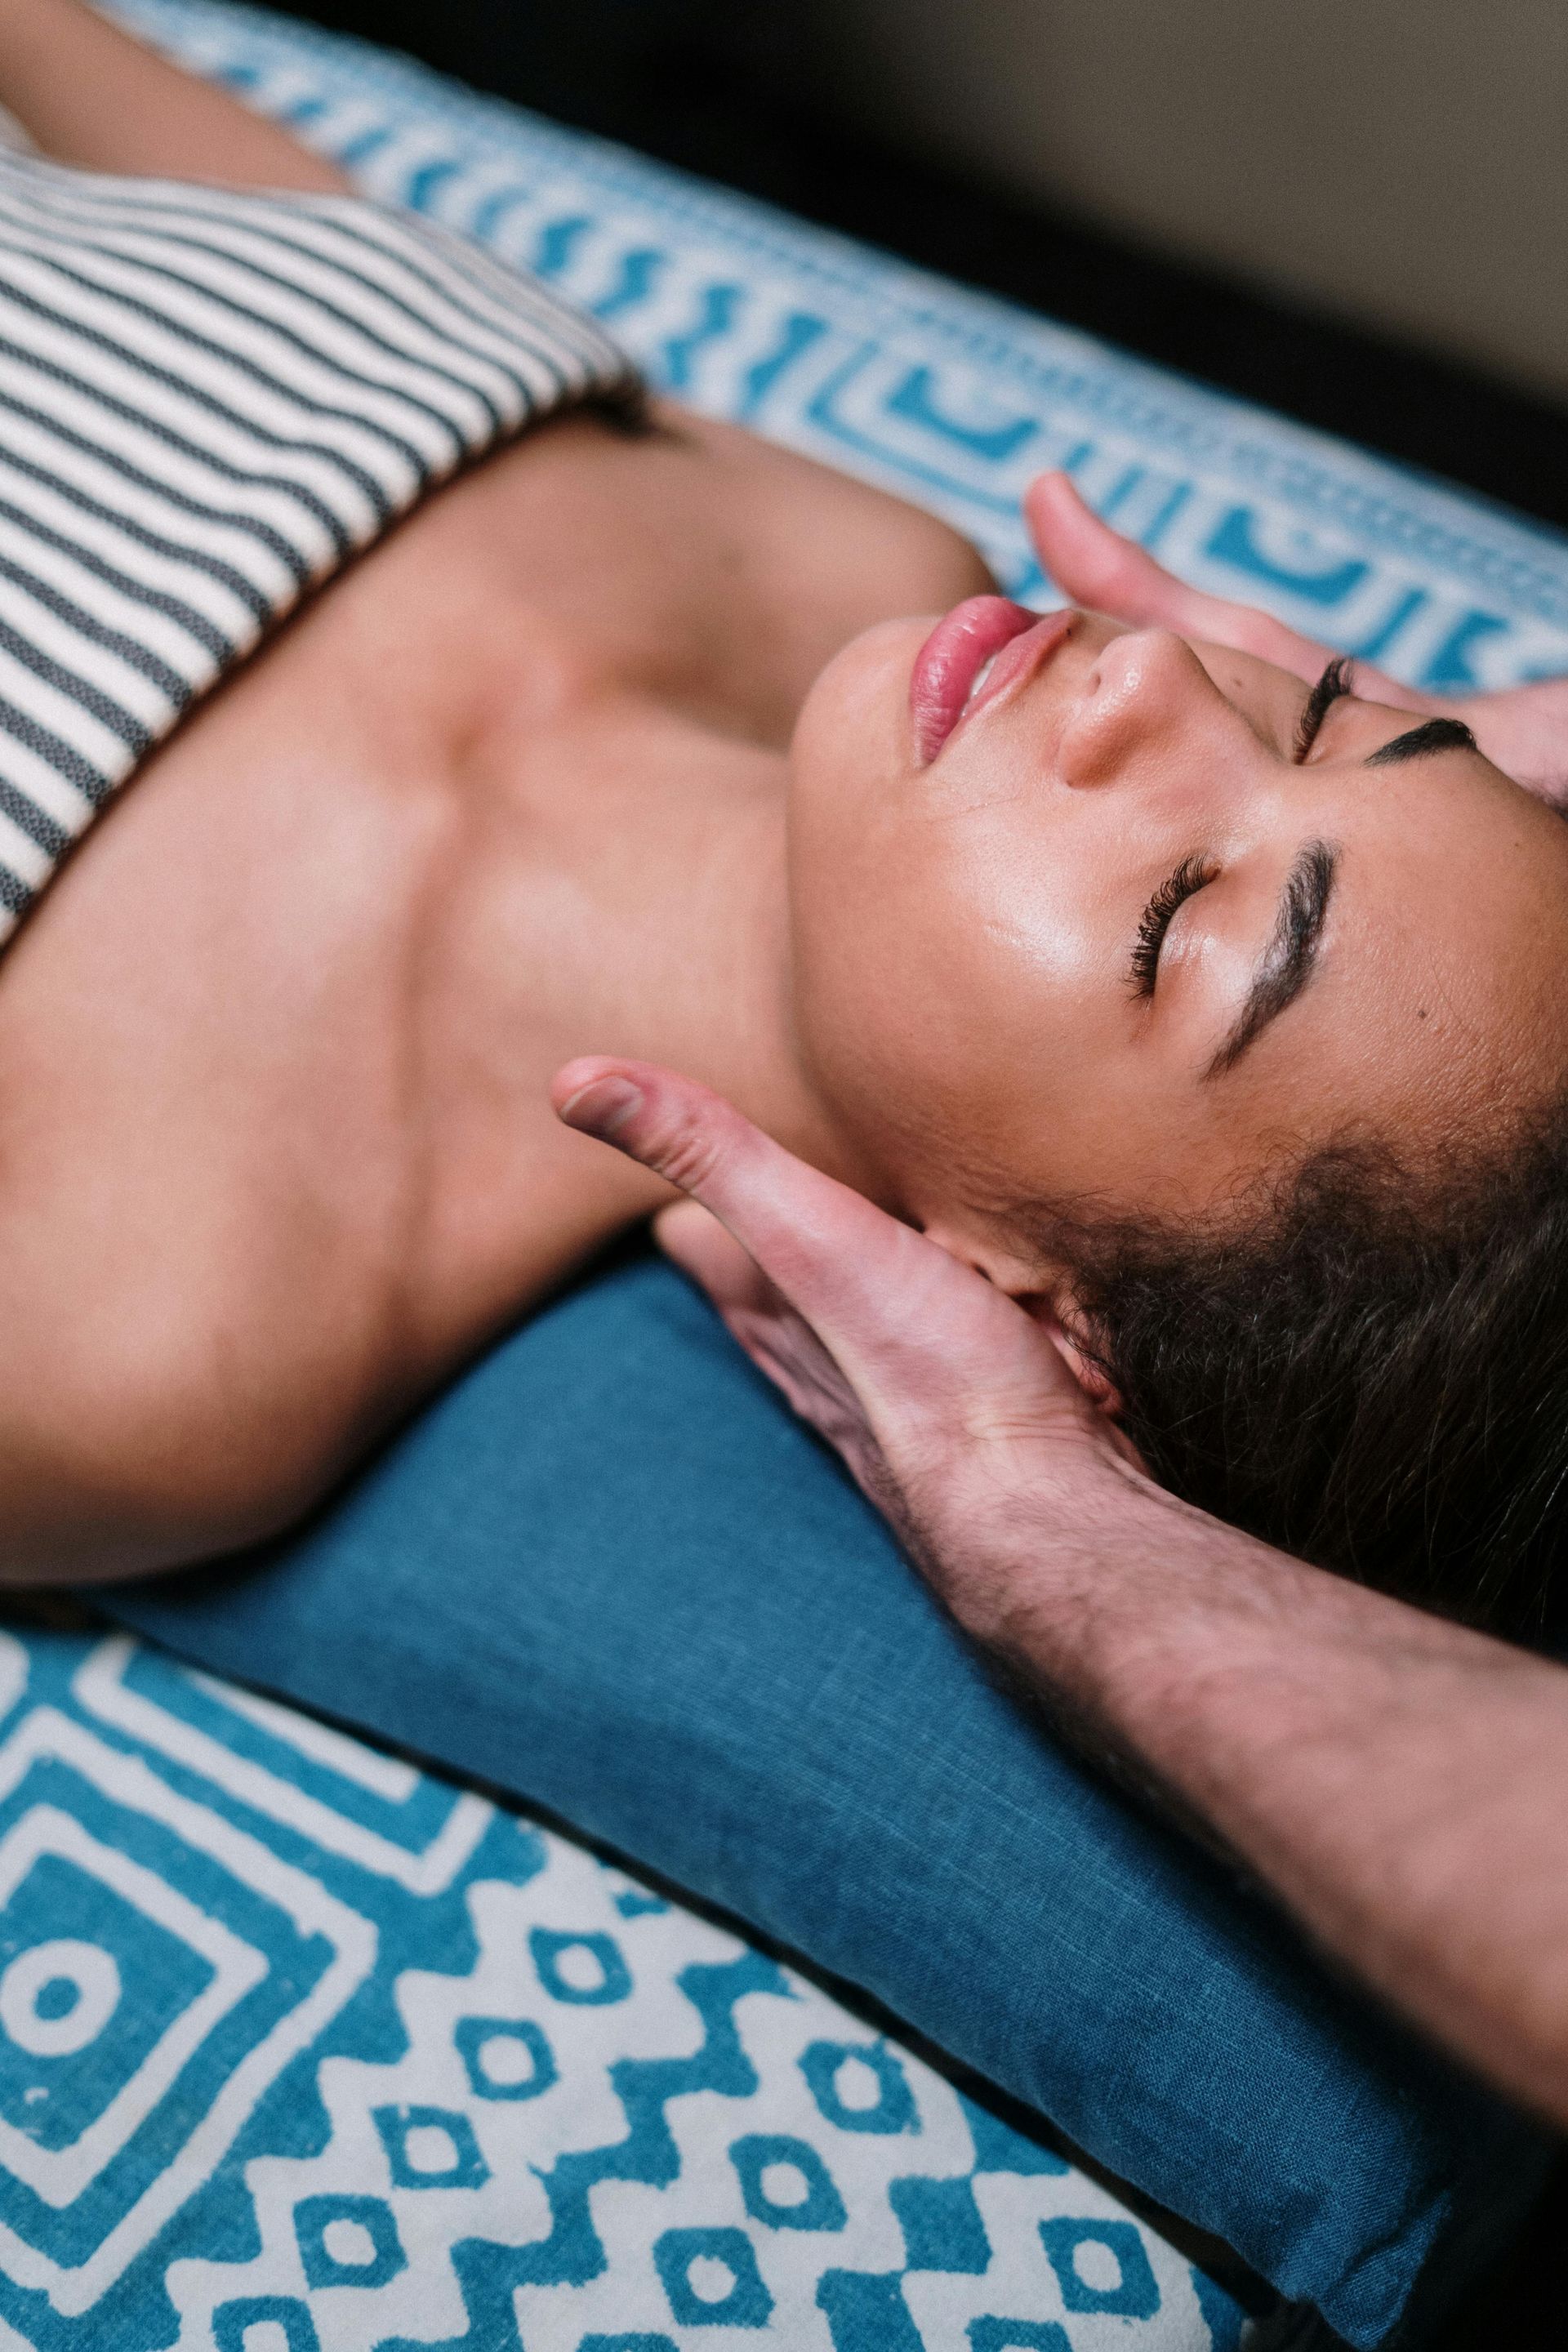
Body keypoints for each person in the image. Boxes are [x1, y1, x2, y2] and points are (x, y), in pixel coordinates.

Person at [3, 0, 1568, 1668]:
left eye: (1180, 916)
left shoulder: (168, 1333)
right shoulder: (856, 564)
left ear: (1047, 1322)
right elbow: (284, 247)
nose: (1162, 678)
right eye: (1326, 716)